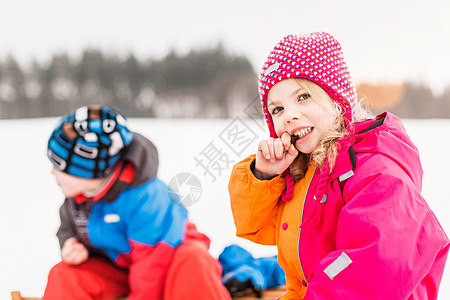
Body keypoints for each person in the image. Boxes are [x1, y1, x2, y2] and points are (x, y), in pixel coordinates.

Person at [228, 32, 449, 299]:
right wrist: (263, 175)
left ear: (336, 98)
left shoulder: (377, 174)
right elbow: (261, 227)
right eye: (277, 109)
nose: (289, 116)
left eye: (303, 97)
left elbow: (368, 274)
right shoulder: (305, 173)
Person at [43, 105, 231, 300]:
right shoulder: (79, 196)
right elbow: (67, 227)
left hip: (169, 258)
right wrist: (69, 244)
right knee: (65, 275)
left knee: (193, 262)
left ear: (88, 170)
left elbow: (152, 266)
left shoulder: (145, 198)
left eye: (59, 167)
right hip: (123, 266)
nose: (53, 172)